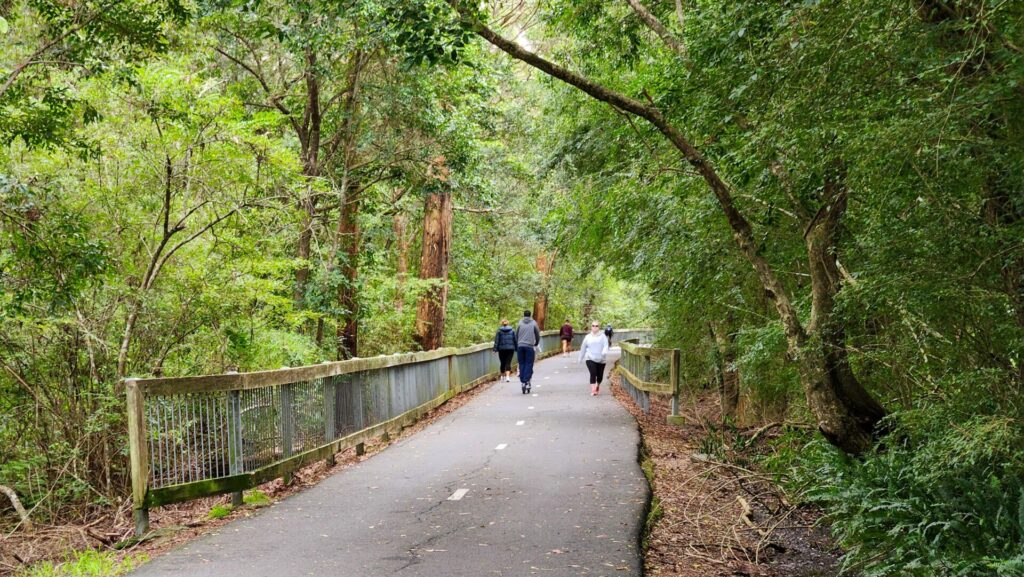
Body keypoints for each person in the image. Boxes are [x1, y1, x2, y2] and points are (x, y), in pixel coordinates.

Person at [579, 321, 610, 396]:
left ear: (599, 327)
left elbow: (606, 345)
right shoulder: (587, 337)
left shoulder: (603, 336)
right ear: (591, 327)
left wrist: (604, 352)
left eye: (596, 326)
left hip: (601, 359)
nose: (594, 327)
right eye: (593, 326)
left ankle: (597, 385)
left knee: (599, 377)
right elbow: (583, 348)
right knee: (593, 373)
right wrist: (580, 358)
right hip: (590, 358)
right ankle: (593, 390)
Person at [515, 310, 541, 394]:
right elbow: (537, 334)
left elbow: (516, 334)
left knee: (521, 363)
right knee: (529, 364)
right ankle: (526, 381)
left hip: (520, 346)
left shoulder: (520, 323)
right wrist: (536, 343)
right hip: (529, 346)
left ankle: (523, 381)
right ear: (530, 315)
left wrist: (517, 344)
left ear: (524, 315)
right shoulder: (533, 323)